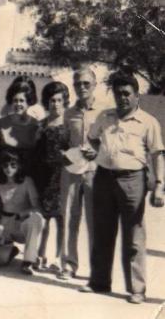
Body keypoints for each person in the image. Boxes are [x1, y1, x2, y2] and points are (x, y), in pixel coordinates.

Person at [79, 72, 164, 304]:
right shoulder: (105, 117)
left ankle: (137, 288)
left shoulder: (148, 122)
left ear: (137, 96)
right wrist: (95, 152)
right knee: (102, 232)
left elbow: (157, 155)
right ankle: (99, 281)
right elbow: (93, 138)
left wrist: (159, 185)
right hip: (104, 178)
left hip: (132, 180)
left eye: (127, 93)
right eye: (118, 94)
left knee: (134, 235)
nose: (122, 98)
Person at [58, 67, 101, 280]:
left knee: (95, 220)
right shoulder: (69, 113)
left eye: (86, 83)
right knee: (69, 217)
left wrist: (98, 152)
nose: (81, 87)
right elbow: (63, 141)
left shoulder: (105, 112)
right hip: (72, 171)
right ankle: (68, 265)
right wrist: (63, 154)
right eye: (77, 84)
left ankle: (97, 269)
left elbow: (112, 142)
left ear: (94, 85)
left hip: (95, 172)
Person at [0, 149, 44, 275]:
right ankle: (10, 251)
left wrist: (20, 214)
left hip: (22, 225)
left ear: (19, 166)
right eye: (5, 165)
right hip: (4, 225)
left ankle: (28, 261)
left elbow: (37, 208)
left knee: (37, 218)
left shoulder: (27, 181)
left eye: (13, 165)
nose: (8, 169)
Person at [33, 81, 70, 272]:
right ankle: (41, 255)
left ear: (65, 101)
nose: (55, 104)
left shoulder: (69, 124)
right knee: (44, 218)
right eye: (52, 100)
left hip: (64, 175)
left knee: (62, 219)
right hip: (45, 176)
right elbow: (36, 151)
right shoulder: (41, 125)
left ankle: (58, 257)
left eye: (59, 100)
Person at [0, 80, 41, 162]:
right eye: (15, 100)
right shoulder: (0, 123)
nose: (18, 104)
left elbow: (38, 152)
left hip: (28, 165)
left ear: (28, 102)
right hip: (4, 165)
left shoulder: (36, 125)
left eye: (21, 101)